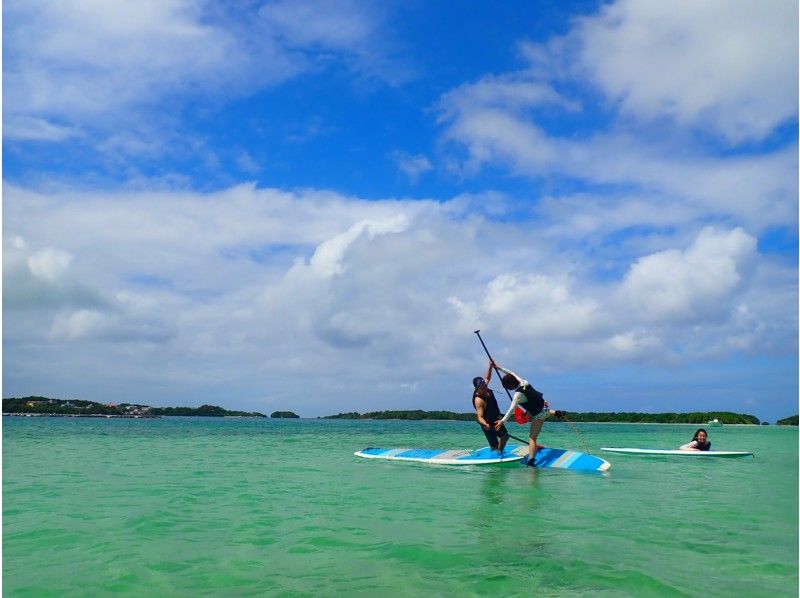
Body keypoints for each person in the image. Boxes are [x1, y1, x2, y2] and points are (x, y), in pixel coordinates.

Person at [493, 362, 565, 466]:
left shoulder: (518, 395)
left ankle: (531, 461)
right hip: (544, 405)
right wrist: (498, 368)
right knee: (543, 411)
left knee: (532, 437)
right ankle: (557, 413)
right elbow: (511, 372)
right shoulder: (523, 381)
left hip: (539, 414)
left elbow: (511, 410)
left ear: (509, 387)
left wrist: (502, 421)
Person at [472, 360, 509, 453]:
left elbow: (487, 377)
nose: (485, 388)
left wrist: (490, 366)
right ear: (477, 389)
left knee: (505, 436)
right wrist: (485, 424)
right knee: (494, 446)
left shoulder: (484, 387)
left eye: (485, 385)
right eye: (482, 387)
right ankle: (496, 453)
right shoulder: (479, 400)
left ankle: (500, 453)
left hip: (496, 419)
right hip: (487, 423)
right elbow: (479, 417)